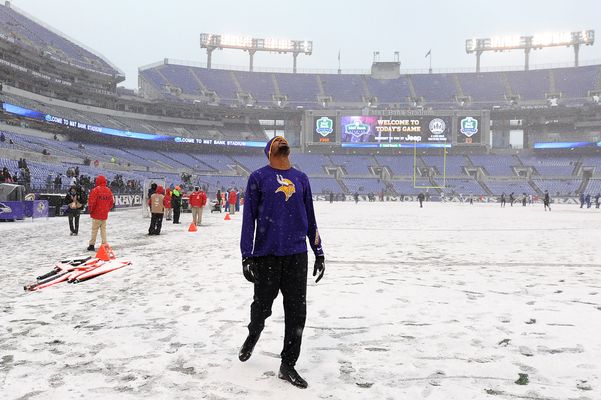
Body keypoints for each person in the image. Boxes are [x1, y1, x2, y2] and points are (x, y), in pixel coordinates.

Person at [239, 136, 325, 389]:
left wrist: (318, 251)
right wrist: (247, 255)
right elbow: (248, 220)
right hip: (267, 255)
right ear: (269, 152)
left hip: (297, 255)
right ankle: (254, 332)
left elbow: (310, 217)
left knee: (297, 313)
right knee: (262, 306)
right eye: (276, 141)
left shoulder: (301, 178)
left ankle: (288, 364)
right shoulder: (258, 178)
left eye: (284, 140)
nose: (281, 141)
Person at [87, 175, 114, 251]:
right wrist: (106, 209)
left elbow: (92, 202)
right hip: (104, 214)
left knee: (94, 230)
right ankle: (105, 244)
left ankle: (92, 245)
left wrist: (91, 211)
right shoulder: (108, 190)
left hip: (96, 214)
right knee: (103, 230)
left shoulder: (95, 190)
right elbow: (111, 202)